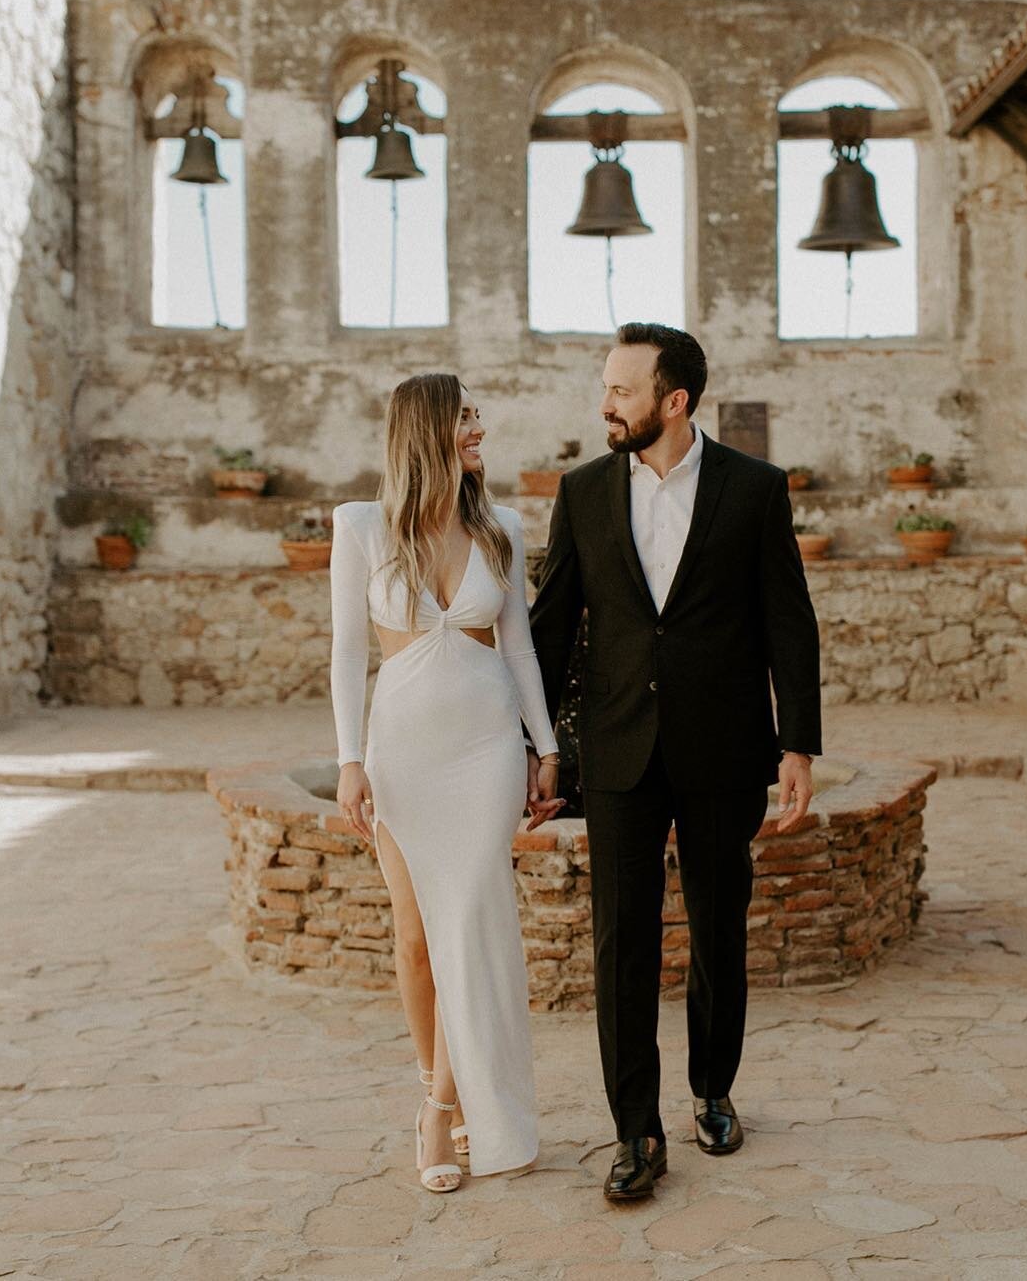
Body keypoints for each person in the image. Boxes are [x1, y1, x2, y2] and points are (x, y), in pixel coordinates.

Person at [528, 322, 822, 1201]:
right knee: (622, 943)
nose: (606, 402)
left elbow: (787, 619)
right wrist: (540, 746)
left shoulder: (755, 489)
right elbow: (550, 627)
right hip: (617, 750)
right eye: (608, 387)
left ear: (675, 400)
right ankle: (635, 1130)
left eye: (622, 389)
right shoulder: (582, 493)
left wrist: (797, 741)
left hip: (723, 748)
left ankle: (713, 1088)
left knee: (718, 926)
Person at [329, 372, 564, 1194]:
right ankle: (438, 1089)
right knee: (417, 938)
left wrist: (546, 748)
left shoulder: (501, 526)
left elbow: (522, 649)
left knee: (472, 926)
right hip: (401, 750)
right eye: (465, 417)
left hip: (484, 749)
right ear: (426, 428)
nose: (479, 429)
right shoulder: (359, 527)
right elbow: (344, 652)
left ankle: (444, 1109)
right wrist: (348, 761)